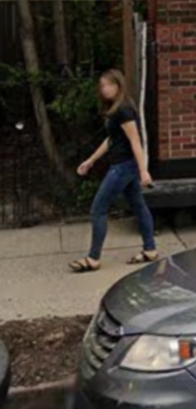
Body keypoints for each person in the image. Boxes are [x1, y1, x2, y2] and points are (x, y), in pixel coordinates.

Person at [69, 70, 157, 273]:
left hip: (123, 167)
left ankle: (93, 258)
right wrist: (91, 160)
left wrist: (143, 171)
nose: (105, 89)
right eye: (102, 86)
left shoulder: (123, 109)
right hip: (124, 165)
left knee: (98, 209)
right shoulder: (115, 108)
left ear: (119, 85)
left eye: (109, 85)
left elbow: (135, 141)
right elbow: (112, 140)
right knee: (138, 205)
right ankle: (150, 249)